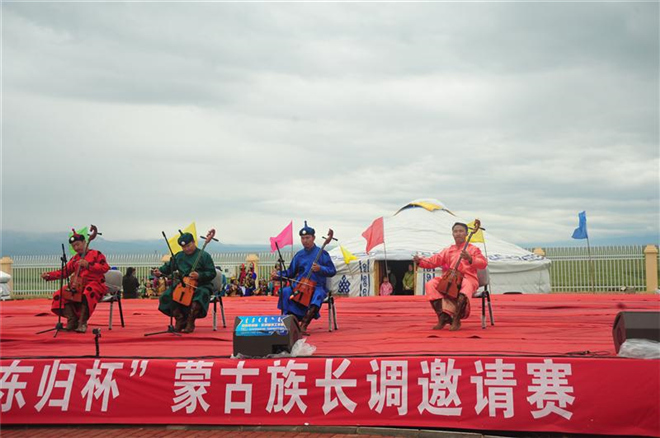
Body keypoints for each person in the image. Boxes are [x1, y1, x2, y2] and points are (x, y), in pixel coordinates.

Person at [413, 222, 487, 331]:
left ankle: (456, 318)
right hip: (451, 279)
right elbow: (433, 261)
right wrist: (420, 261)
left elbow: (483, 263)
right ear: (452, 234)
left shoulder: (473, 249)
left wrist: (470, 258)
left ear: (466, 233)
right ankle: (443, 317)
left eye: (461, 231)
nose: (458, 233)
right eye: (455, 231)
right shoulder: (448, 250)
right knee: (430, 284)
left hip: (468, 278)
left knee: (465, 286)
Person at [272, 221, 336, 335]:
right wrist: (278, 275)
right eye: (302, 238)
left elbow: (332, 271)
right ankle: (288, 322)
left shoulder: (323, 254)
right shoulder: (299, 255)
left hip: (317, 286)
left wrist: (320, 268)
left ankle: (304, 325)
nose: (305, 240)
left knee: (318, 295)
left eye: (307, 237)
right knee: (286, 292)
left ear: (313, 238)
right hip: (300, 285)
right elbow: (290, 272)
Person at [41, 231, 110, 333]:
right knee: (59, 294)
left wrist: (88, 265)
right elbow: (64, 272)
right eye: (74, 246)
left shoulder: (96, 254)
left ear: (84, 242)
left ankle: (82, 322)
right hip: (79, 284)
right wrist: (49, 275)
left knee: (88, 291)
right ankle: (72, 320)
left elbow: (105, 268)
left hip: (95, 284)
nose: (76, 248)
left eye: (78, 244)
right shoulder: (75, 259)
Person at [154, 233, 216, 333]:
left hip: (201, 284)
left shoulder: (204, 256)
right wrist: (160, 272)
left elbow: (212, 273)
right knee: (167, 296)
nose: (186, 249)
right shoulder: (179, 256)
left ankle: (190, 321)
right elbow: (168, 267)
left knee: (199, 296)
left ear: (194, 242)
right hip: (183, 284)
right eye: (184, 247)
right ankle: (180, 319)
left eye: (188, 245)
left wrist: (199, 275)